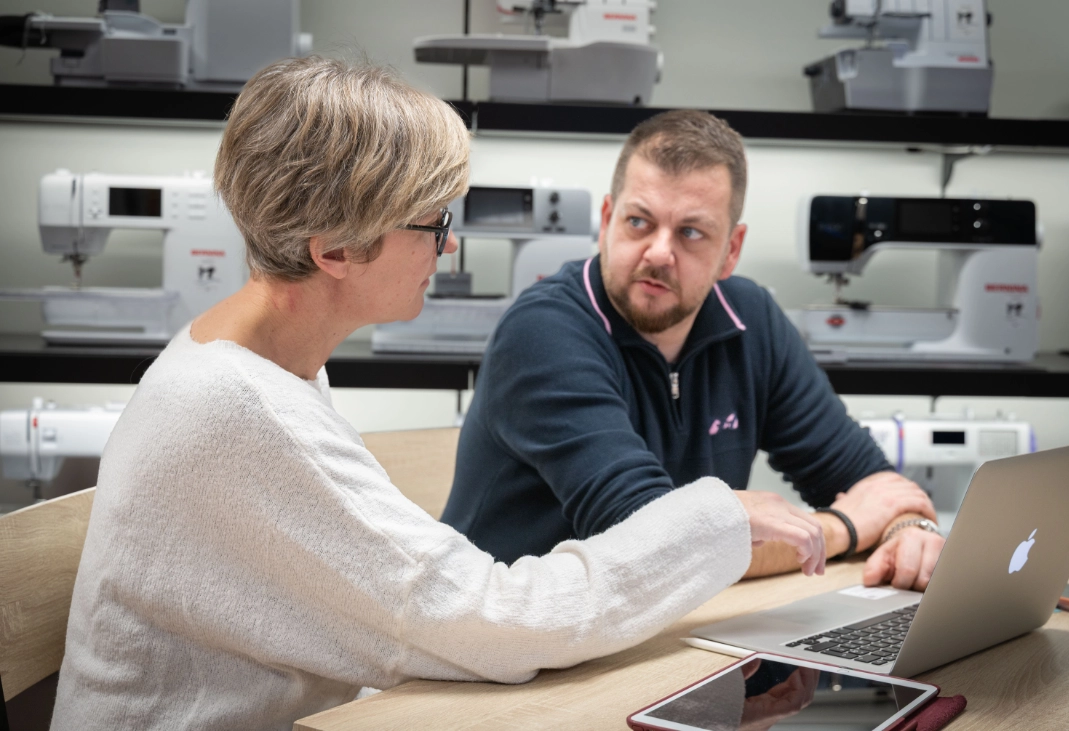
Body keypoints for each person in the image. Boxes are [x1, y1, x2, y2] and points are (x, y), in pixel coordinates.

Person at [50, 59, 829, 731]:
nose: (447, 244)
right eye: (432, 222)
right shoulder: (236, 413)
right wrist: (717, 514)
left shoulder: (262, 365)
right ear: (335, 250)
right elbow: (503, 622)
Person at [442, 110, 945, 590]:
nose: (660, 252)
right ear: (606, 219)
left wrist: (906, 530)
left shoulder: (751, 318)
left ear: (731, 250)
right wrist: (844, 527)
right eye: (639, 222)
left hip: (669, 636)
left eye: (690, 232)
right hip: (520, 656)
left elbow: (866, 480)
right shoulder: (543, 332)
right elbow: (652, 543)